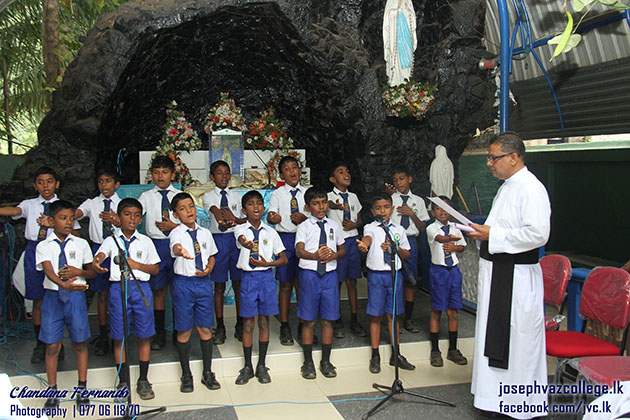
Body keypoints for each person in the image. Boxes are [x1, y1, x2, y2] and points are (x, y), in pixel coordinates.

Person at [468, 132, 551, 418]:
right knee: (498, 334)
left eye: (494, 157)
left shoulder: (530, 187)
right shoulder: (507, 186)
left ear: (513, 157)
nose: (489, 163)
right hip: (499, 272)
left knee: (519, 339)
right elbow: (498, 228)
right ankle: (494, 399)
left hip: (516, 277)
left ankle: (519, 404)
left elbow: (538, 234)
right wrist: (481, 233)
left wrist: (493, 234)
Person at [0, 166, 74, 364]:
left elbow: (74, 232)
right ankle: (41, 344)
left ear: (56, 184)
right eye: (40, 182)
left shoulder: (63, 206)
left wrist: (53, 224)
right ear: (35, 185)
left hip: (57, 250)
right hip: (34, 251)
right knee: (37, 299)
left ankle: (59, 345)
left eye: (49, 181)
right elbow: (14, 210)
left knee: (59, 296)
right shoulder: (30, 204)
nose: (45, 186)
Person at [93, 198, 160, 400]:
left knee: (144, 335)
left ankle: (143, 380)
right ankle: (123, 381)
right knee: (119, 336)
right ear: (118, 217)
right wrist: (97, 262)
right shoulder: (111, 239)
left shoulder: (146, 242)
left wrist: (137, 265)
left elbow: (155, 269)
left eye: (137, 215)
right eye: (127, 214)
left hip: (141, 289)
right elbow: (101, 255)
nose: (132, 218)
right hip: (118, 290)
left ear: (140, 219)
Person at [35, 200, 94, 408]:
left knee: (80, 342)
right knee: (52, 345)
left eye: (71, 218)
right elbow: (49, 271)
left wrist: (78, 273)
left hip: (76, 297)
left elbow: (91, 272)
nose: (68, 222)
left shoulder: (81, 244)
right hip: (53, 297)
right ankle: (52, 390)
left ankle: (82, 387)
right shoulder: (43, 245)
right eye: (63, 218)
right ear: (51, 221)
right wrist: (63, 284)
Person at [357, 193, 416, 374]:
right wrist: (364, 245)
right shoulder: (370, 227)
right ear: (372, 210)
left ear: (392, 208)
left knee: (393, 315)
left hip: (394, 275)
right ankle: (375, 354)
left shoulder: (398, 230)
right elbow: (367, 238)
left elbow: (407, 254)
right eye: (378, 208)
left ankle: (395, 353)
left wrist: (395, 248)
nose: (382, 211)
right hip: (377, 276)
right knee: (375, 315)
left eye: (386, 207)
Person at [233, 191, 288, 385]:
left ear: (263, 209)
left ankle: (262, 365)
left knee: (264, 322)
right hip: (248, 278)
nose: (255, 207)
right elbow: (241, 239)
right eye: (250, 204)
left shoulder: (271, 232)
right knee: (248, 323)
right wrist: (246, 243)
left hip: (266, 278)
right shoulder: (240, 229)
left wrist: (268, 264)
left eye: (258, 204)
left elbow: (283, 258)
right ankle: (247, 365)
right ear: (243, 210)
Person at [169, 192, 221, 392]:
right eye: (183, 208)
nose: (189, 211)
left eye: (191, 206)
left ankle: (207, 372)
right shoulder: (176, 233)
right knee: (184, 330)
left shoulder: (205, 233)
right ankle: (186, 374)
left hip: (203, 283)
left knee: (205, 328)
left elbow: (213, 255)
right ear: (175, 215)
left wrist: (209, 267)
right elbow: (175, 247)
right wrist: (180, 250)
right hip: (184, 284)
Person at [295, 186, 345, 379]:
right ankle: (308, 362)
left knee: (328, 319)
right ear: (308, 207)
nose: (321, 206)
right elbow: (299, 251)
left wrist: (334, 254)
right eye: (316, 203)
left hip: (330, 275)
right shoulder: (304, 226)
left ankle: (326, 360)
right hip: (310, 275)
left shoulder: (333, 225)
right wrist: (314, 255)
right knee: (308, 320)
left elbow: (343, 249)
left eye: (324, 202)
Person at [76, 168, 121, 356]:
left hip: (117, 250)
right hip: (98, 249)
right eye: (101, 181)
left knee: (117, 293)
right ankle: (103, 334)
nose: (104, 185)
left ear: (116, 184)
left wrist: (117, 220)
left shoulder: (121, 203)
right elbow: (76, 213)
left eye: (108, 180)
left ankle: (118, 332)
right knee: (101, 295)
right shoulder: (92, 203)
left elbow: (130, 223)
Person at [138, 155, 181, 350]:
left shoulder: (179, 195)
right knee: (158, 290)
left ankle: (179, 331)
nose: (160, 176)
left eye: (164, 172)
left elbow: (190, 219)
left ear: (172, 174)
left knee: (177, 289)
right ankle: (160, 333)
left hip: (176, 244)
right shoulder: (147, 196)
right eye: (156, 173)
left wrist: (175, 225)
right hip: (155, 246)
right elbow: (136, 214)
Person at [202, 160, 245, 345]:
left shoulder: (237, 196)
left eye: (227, 173)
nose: (224, 176)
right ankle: (220, 326)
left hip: (235, 241)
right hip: (218, 241)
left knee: (238, 284)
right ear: (212, 177)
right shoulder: (208, 196)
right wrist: (222, 219)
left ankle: (240, 324)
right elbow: (215, 210)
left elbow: (244, 220)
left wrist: (235, 220)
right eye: (219, 173)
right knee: (218, 285)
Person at [267, 156, 309, 345]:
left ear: (300, 171)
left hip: (304, 240)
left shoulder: (307, 193)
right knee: (285, 285)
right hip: (284, 240)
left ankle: (302, 324)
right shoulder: (278, 194)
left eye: (295, 167)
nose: (292, 171)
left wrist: (305, 219)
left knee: (302, 284)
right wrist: (273, 218)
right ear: (281, 174)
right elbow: (271, 215)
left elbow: (315, 216)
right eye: (287, 169)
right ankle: (284, 325)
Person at [386, 167, 430, 333]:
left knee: (410, 281)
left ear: (409, 179)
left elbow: (422, 227)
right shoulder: (391, 199)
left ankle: (408, 319)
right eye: (396, 180)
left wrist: (411, 214)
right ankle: (393, 318)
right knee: (393, 280)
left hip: (410, 241)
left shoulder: (418, 201)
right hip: (393, 241)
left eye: (402, 178)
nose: (399, 182)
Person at [426, 197, 468, 367]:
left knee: (453, 311)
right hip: (439, 272)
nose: (443, 212)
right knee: (437, 310)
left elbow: (463, 246)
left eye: (446, 209)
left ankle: (453, 349)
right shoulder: (431, 228)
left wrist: (455, 247)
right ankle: (435, 350)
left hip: (454, 272)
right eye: (438, 209)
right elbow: (440, 239)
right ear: (433, 212)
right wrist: (451, 241)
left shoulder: (456, 228)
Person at [327, 162, 367, 338]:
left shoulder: (353, 197)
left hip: (352, 241)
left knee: (353, 281)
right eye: (341, 171)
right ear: (332, 179)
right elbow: (328, 204)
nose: (346, 174)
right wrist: (334, 206)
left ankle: (354, 318)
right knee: (337, 281)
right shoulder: (328, 197)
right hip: (337, 242)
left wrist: (355, 224)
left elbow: (359, 219)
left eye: (348, 171)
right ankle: (336, 319)